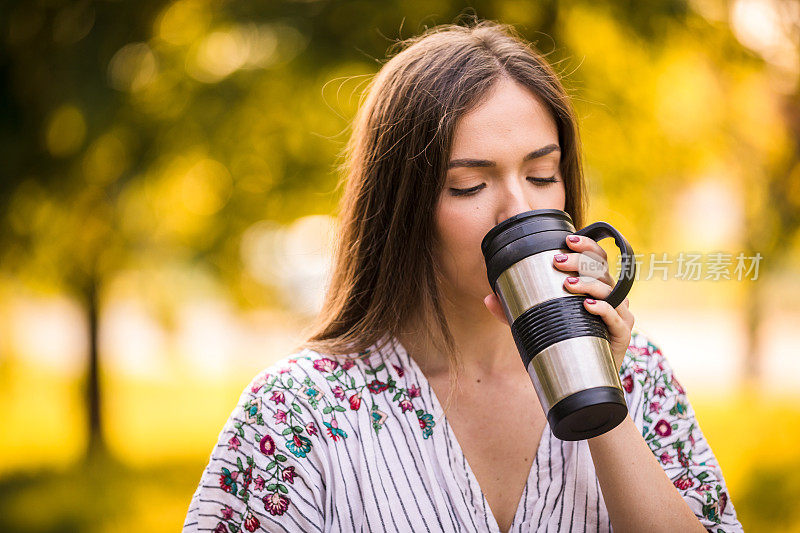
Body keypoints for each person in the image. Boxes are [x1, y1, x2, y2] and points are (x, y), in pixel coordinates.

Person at [182, 20, 743, 533]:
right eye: (469, 186)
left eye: (543, 174)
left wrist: (597, 395)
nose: (519, 210)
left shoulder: (638, 373)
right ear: (401, 209)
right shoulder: (298, 412)